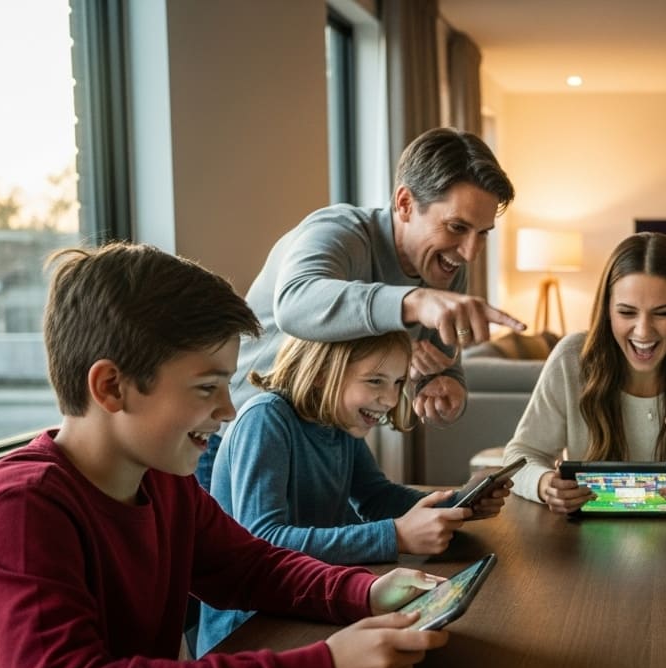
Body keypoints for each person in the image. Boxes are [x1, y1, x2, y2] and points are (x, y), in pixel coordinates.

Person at [0, 243, 451, 668]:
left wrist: (369, 590)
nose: (226, 409)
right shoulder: (22, 510)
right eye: (206, 387)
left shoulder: (164, 480)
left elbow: (251, 568)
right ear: (111, 387)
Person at [198, 127, 524, 487]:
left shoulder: (445, 268)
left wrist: (447, 392)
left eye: (483, 233)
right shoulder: (338, 231)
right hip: (235, 440)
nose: (470, 252)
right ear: (404, 203)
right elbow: (294, 302)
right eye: (457, 227)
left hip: (327, 443)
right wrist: (413, 301)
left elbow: (441, 366)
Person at [196, 330, 509, 655]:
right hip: (249, 632)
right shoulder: (266, 419)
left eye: (399, 383)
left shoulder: (338, 421)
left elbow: (376, 496)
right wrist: (395, 536)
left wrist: (461, 502)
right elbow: (264, 541)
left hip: (309, 603)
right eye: (375, 381)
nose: (390, 399)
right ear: (320, 375)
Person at [503, 232, 666, 516]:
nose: (643, 331)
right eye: (627, 312)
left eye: (662, 313)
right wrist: (545, 484)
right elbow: (519, 456)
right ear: (607, 308)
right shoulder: (571, 357)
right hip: (588, 541)